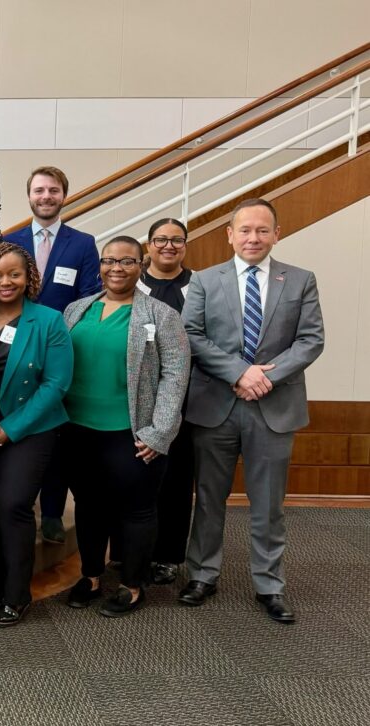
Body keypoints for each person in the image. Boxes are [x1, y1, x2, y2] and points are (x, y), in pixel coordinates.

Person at [181, 199, 324, 624]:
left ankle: (270, 585)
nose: (253, 238)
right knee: (208, 499)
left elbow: (310, 340)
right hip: (216, 406)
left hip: (274, 406)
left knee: (269, 504)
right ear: (229, 234)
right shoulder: (205, 281)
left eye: (263, 230)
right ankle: (202, 574)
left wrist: (265, 377)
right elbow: (191, 334)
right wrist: (240, 373)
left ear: (277, 234)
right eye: (245, 230)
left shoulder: (300, 280)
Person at [62, 236, 189, 617]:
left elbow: (176, 375)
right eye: (109, 261)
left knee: (137, 510)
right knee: (88, 506)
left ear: (141, 265)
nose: (116, 268)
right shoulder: (77, 308)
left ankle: (133, 585)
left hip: (133, 434)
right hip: (77, 429)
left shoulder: (160, 315)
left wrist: (159, 432)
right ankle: (91, 576)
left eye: (127, 261)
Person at [0, 243, 73, 627]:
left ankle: (17, 594)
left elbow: (56, 384)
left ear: (29, 277)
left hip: (28, 431)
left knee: (13, 505)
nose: (5, 282)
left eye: (14, 274)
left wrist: (10, 430)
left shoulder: (48, 321)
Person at [4, 166, 102, 544]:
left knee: (54, 432)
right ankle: (18, 504)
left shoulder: (82, 242)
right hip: (15, 345)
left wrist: (59, 334)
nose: (46, 196)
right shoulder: (9, 240)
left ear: (64, 195)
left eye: (54, 190)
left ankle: (51, 513)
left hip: (62, 346)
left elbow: (91, 294)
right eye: (40, 190)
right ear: (29, 195)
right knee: (18, 424)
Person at [137, 218, 194, 584]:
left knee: (175, 479)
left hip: (182, 397)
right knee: (136, 476)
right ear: (149, 245)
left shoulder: (198, 286)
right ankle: (130, 551)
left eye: (176, 240)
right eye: (161, 239)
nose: (168, 246)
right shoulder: (131, 282)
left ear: (185, 246)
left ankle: (169, 555)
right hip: (136, 397)